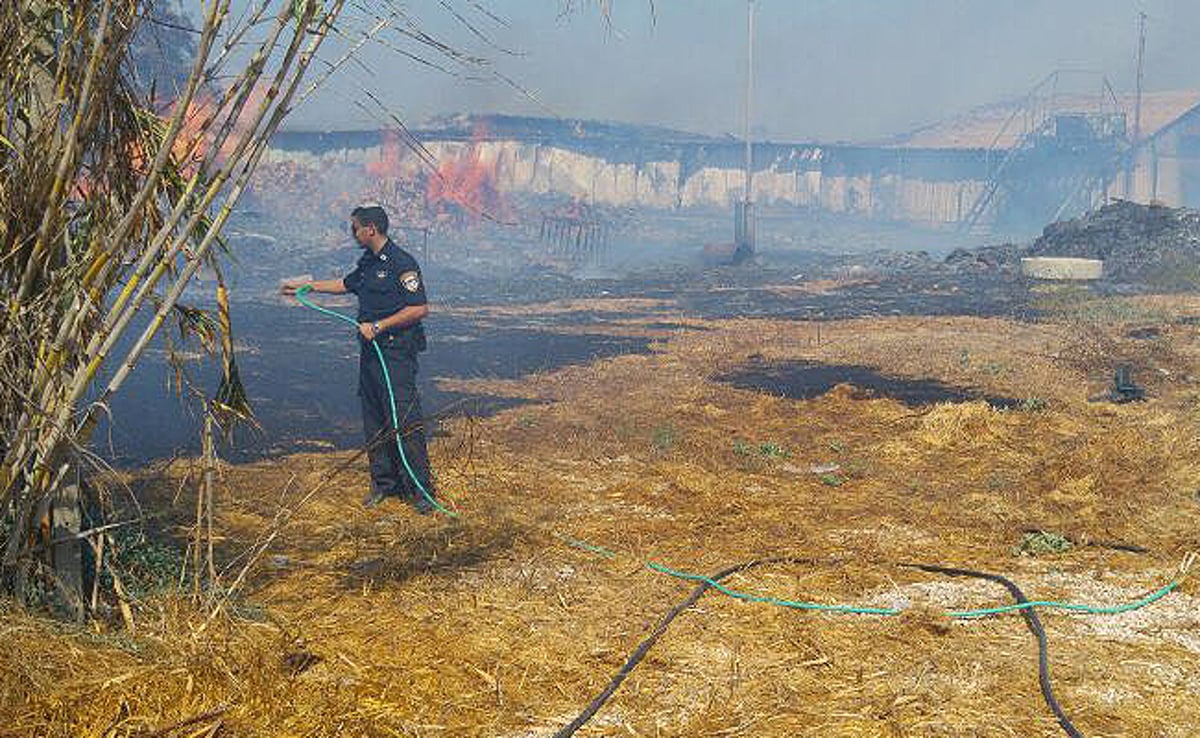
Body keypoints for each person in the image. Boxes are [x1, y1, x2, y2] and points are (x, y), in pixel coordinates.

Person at [283, 205, 436, 512]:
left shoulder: (401, 263)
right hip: (370, 355)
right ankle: (384, 484)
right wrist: (308, 286)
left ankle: (420, 491)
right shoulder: (367, 263)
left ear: (371, 229)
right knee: (375, 419)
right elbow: (346, 284)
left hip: (395, 353)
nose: (352, 234)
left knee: (403, 420)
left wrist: (380, 326)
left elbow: (419, 308)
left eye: (355, 228)